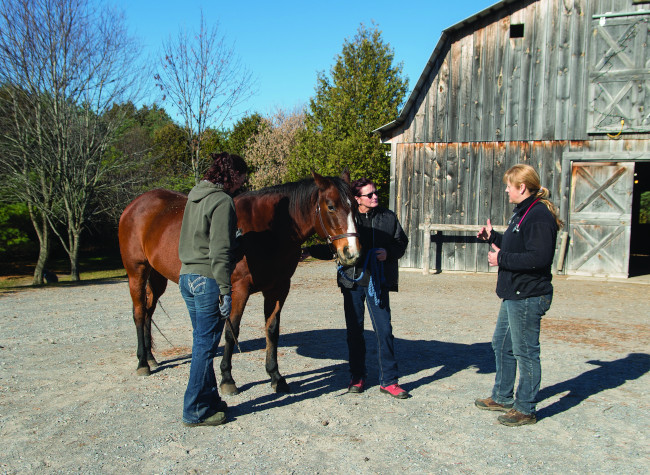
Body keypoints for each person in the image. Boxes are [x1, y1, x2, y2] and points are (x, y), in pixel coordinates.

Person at [475, 164, 562, 426]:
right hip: (515, 292)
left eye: (509, 186)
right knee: (501, 344)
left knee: (525, 352)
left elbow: (539, 257)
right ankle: (502, 396)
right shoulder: (523, 213)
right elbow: (519, 244)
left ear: (521, 187)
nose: (506, 190)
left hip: (528, 294)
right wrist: (495, 237)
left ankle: (525, 408)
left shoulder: (538, 215)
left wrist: (501, 258)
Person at [307, 177, 409, 399]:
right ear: (357, 198)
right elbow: (334, 247)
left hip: (377, 282)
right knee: (355, 332)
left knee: (384, 331)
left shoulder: (387, 217)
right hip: (352, 281)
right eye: (369, 194)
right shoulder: (348, 216)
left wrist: (388, 253)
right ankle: (357, 376)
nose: (375, 197)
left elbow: (401, 242)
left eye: (375, 193)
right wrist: (311, 251)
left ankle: (390, 381)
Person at [178, 152, 248, 427]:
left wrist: (233, 237)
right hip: (208, 280)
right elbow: (219, 251)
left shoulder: (196, 195)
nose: (243, 182)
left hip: (187, 277)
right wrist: (224, 289)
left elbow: (203, 238)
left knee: (201, 343)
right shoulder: (222, 201)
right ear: (233, 175)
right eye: (242, 177)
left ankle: (208, 401)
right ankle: (194, 411)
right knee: (205, 348)